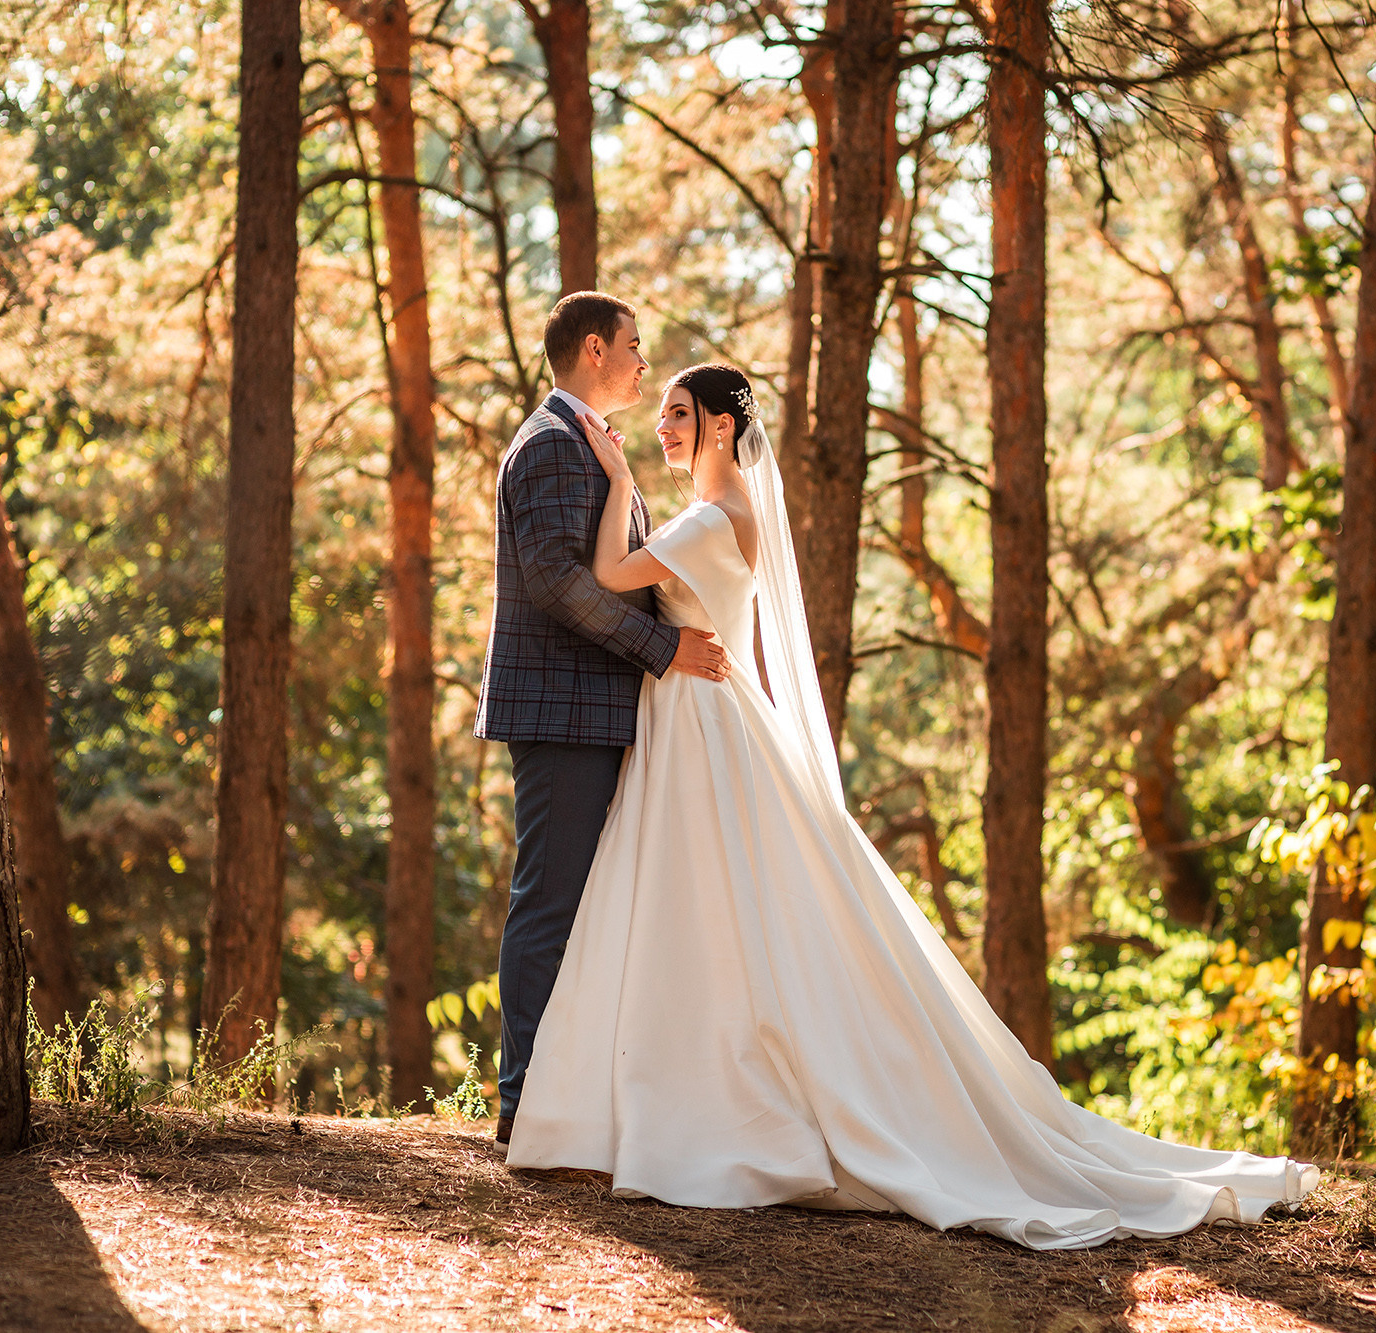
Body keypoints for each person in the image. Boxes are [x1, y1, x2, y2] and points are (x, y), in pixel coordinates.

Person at [504, 360, 1321, 1250]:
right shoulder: (723, 514)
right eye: (659, 414)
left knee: (701, 910)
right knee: (706, 916)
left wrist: (618, 478)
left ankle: (704, 1104)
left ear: (724, 428)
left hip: (700, 723)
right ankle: (674, 1094)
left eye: (679, 414)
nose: (662, 428)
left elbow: (613, 573)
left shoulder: (710, 517)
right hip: (696, 714)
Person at [473, 292, 731, 1151]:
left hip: (600, 709)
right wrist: (663, 648)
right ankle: (524, 1105)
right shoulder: (551, 444)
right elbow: (556, 582)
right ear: (594, 348)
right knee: (549, 904)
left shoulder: (584, 442)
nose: (644, 362)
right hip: (563, 710)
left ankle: (573, 1100)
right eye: (633, 346)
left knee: (585, 908)